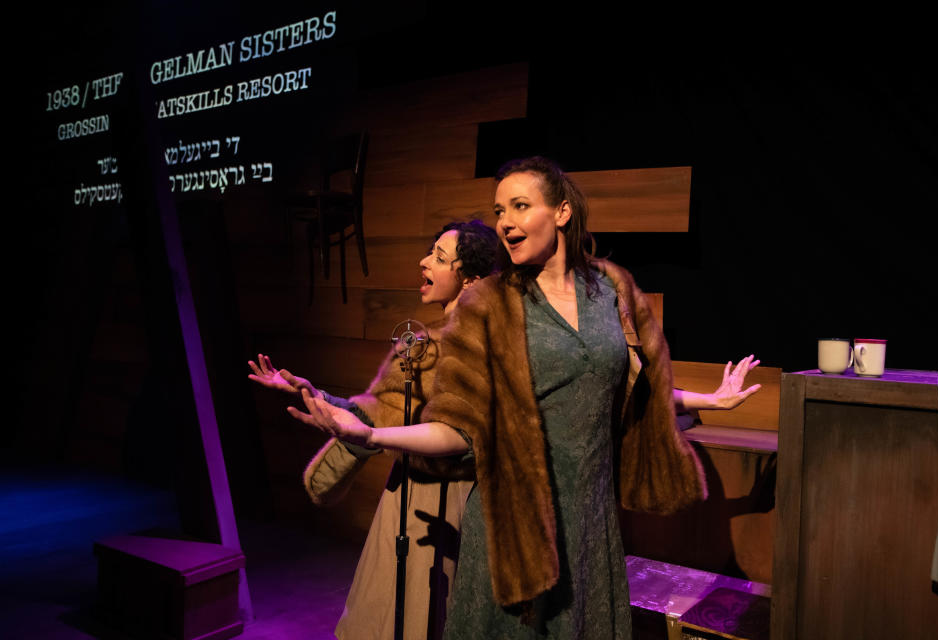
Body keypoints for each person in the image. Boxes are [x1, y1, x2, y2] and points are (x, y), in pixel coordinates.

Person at [288, 156, 761, 638]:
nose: (505, 222)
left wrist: (711, 400)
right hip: (514, 529)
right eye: (499, 210)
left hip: (590, 523)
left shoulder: (610, 291)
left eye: (519, 205)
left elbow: (624, 390)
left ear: (561, 212)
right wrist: (370, 432)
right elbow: (459, 428)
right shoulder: (489, 305)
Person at [248, 219, 499, 640]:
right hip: (403, 498)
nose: (423, 262)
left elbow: (463, 434)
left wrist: (370, 435)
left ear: (470, 280)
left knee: (432, 610)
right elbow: (382, 411)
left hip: (452, 502)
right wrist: (318, 396)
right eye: (429, 251)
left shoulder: (484, 346)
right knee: (385, 611)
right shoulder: (421, 344)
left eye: (439, 257)